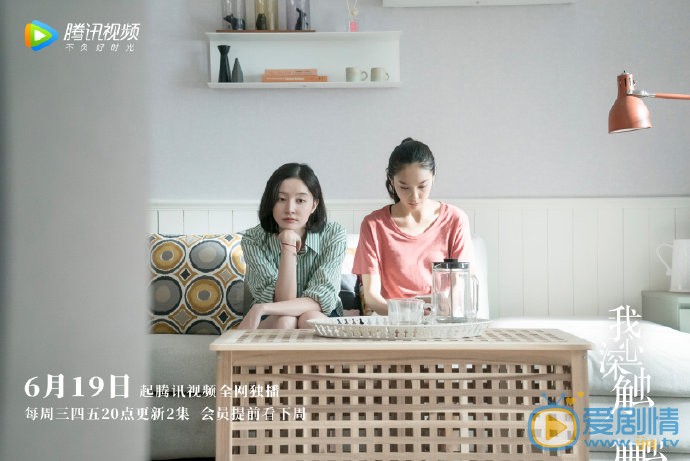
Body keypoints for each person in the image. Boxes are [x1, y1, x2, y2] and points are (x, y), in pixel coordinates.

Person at [352, 138, 474, 315]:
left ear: (434, 176)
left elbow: (460, 285)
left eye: (422, 186)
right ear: (391, 180)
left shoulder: (455, 220)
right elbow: (372, 297)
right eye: (404, 187)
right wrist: (409, 314)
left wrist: (441, 312)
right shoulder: (373, 225)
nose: (414, 196)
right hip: (393, 321)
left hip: (441, 318)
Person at [239, 163, 346, 329]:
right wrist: (288, 245)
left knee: (310, 318)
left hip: (319, 313)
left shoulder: (333, 234)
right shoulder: (253, 239)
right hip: (272, 316)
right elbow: (281, 301)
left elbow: (321, 298)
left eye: (300, 200)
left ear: (314, 205)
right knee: (286, 320)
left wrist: (262, 308)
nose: (290, 209)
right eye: (281, 199)